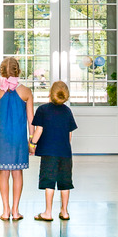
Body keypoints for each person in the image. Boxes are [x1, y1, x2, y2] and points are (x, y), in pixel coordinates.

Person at [0, 55, 33, 221]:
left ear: (1, 72)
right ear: (18, 71)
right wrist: (32, 141)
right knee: (17, 172)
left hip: (2, 137)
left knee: (3, 173)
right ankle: (16, 210)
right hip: (18, 139)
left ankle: (5, 210)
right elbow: (31, 120)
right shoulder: (26, 92)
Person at [30, 80, 77, 222]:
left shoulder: (43, 110)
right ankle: (64, 211)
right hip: (65, 153)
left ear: (50, 94)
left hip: (49, 153)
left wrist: (32, 144)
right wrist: (64, 146)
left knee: (49, 182)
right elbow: (69, 134)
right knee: (65, 182)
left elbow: (39, 129)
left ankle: (48, 212)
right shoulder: (67, 111)